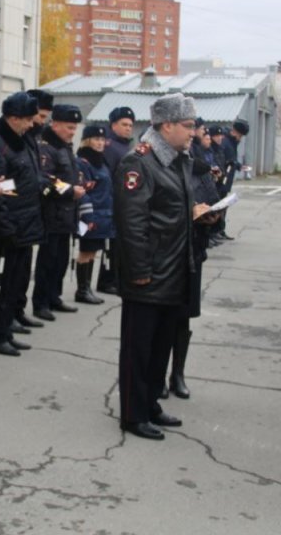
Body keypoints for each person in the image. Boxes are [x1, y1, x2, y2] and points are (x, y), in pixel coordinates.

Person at [115, 93, 211, 441]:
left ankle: (150, 403)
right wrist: (140, 272)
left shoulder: (178, 159)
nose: (193, 132)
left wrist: (199, 215)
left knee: (160, 348)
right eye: (188, 125)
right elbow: (132, 224)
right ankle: (132, 414)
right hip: (150, 273)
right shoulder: (139, 163)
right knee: (139, 349)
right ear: (166, 126)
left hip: (174, 269)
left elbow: (169, 211)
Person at [0, 92, 46, 357]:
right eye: (27, 120)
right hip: (6, 230)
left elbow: (19, 182)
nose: (31, 124)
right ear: (13, 118)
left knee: (13, 284)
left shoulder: (20, 141)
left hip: (24, 226)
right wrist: (6, 227)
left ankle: (6, 329)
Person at [163, 136, 222, 400]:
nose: (189, 137)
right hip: (167, 252)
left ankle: (178, 374)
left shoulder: (199, 169)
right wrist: (189, 212)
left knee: (184, 316)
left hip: (193, 251)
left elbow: (214, 200)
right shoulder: (160, 166)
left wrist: (212, 216)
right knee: (163, 316)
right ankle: (157, 374)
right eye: (186, 128)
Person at [33, 104, 86, 321]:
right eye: (69, 127)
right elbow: (46, 180)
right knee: (48, 261)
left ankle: (54, 296)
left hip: (66, 215)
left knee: (61, 260)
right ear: (55, 125)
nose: (72, 132)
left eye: (75, 128)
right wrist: (71, 191)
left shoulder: (64, 147)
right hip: (52, 214)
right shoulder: (47, 148)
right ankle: (41, 302)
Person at [11, 89, 55, 335]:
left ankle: (17, 311)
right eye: (39, 116)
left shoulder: (31, 140)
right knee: (9, 276)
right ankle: (6, 319)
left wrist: (43, 183)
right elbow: (1, 182)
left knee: (22, 272)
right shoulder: (10, 141)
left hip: (30, 215)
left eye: (45, 116)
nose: (40, 122)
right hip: (15, 218)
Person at [74, 125, 114, 305]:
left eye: (102, 139)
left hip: (103, 215)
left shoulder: (101, 161)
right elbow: (83, 191)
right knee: (86, 251)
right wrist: (87, 217)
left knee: (93, 252)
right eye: (96, 139)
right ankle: (82, 290)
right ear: (87, 141)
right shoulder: (83, 162)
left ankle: (87, 288)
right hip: (91, 215)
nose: (100, 143)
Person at [97, 106, 135, 296]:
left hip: (124, 202)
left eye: (130, 125)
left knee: (120, 245)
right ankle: (107, 281)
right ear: (113, 125)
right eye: (124, 124)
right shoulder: (110, 146)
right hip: (113, 201)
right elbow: (108, 175)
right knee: (111, 246)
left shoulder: (124, 145)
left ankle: (116, 279)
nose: (128, 128)